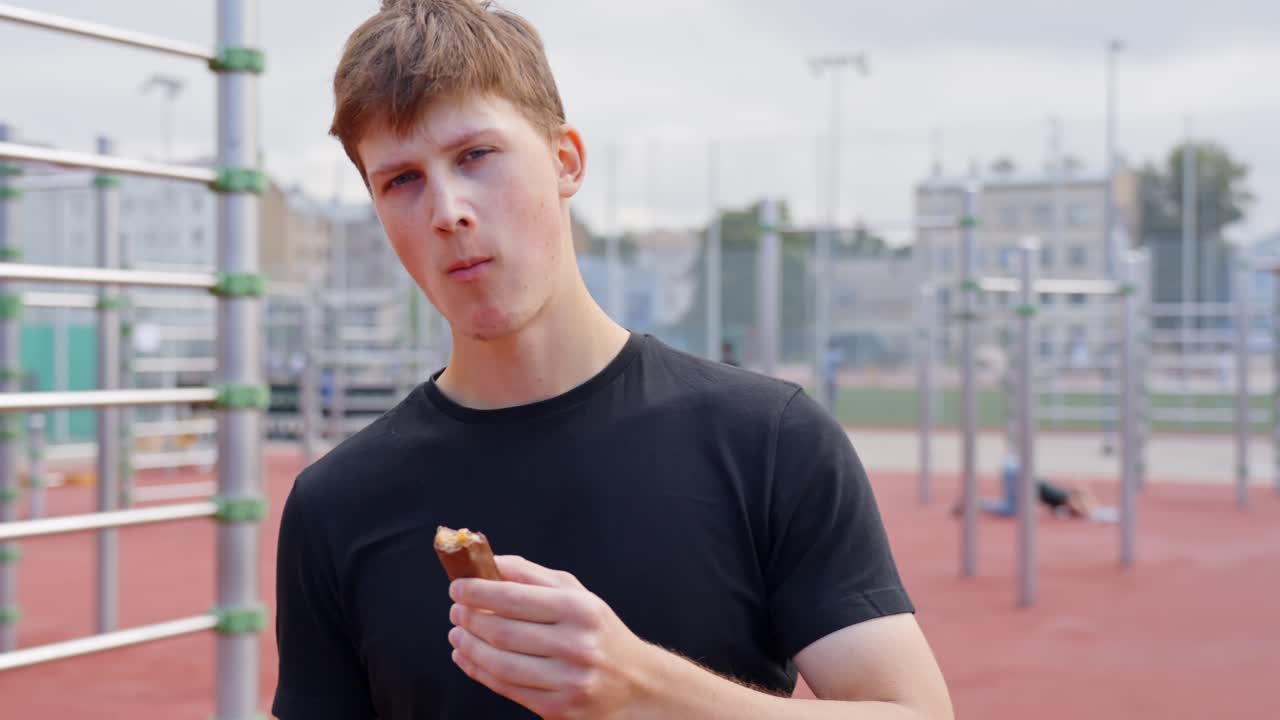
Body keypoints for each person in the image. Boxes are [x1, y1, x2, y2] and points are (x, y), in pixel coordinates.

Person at [272, 2, 953, 719]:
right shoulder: (335, 506)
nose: (448, 209)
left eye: (475, 155)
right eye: (401, 180)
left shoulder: (768, 440)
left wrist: (642, 687)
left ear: (566, 161)